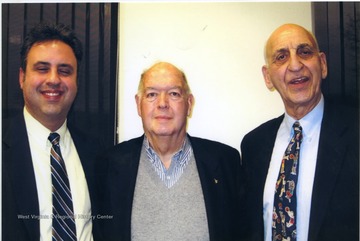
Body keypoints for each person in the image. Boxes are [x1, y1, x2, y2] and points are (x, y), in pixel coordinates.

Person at [95, 61, 245, 241]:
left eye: (174, 94)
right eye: (151, 94)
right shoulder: (109, 166)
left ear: (189, 104)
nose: (162, 103)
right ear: (138, 104)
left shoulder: (226, 162)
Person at [241, 23, 359, 241]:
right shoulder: (253, 145)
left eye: (304, 52)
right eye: (281, 57)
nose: (295, 65)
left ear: (322, 64)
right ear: (268, 77)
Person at [2, 22, 101, 241]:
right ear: (22, 77)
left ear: (76, 81)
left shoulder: (97, 154)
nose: (54, 79)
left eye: (64, 71)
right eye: (42, 68)